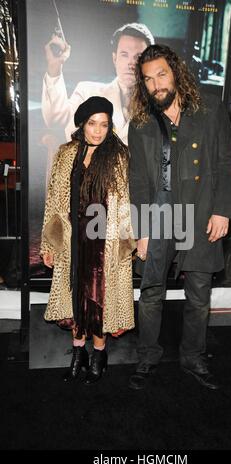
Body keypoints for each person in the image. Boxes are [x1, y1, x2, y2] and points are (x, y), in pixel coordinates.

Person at [128, 45, 231, 391]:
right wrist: (142, 229)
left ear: (175, 72)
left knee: (199, 291)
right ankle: (147, 356)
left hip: (202, 212)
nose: (156, 84)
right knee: (151, 291)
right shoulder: (141, 123)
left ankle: (193, 356)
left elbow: (226, 162)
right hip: (159, 214)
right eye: (148, 79)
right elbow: (138, 180)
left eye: (161, 74)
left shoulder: (209, 108)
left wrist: (222, 210)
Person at [40, 96, 135, 384]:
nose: (98, 130)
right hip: (72, 240)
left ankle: (99, 354)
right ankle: (78, 354)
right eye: (92, 123)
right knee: (74, 299)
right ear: (82, 123)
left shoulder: (118, 156)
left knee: (99, 301)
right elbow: (54, 201)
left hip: (104, 241)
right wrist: (49, 244)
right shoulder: (66, 153)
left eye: (104, 124)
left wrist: (124, 245)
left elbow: (125, 203)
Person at [41, 23, 154, 144]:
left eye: (138, 57)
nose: (131, 63)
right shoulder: (87, 92)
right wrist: (54, 67)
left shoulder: (158, 108)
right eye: (124, 55)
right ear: (114, 59)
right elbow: (56, 120)